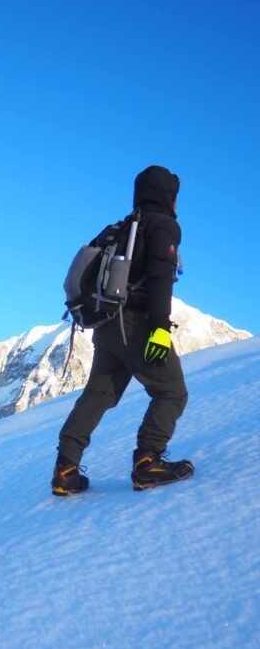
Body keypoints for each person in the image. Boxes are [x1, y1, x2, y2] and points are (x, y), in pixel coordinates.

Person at [52, 165, 194, 495]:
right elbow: (161, 276)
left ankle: (65, 469)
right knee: (171, 391)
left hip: (106, 325)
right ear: (168, 197)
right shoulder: (163, 226)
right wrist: (160, 328)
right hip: (137, 324)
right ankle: (148, 462)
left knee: (99, 395)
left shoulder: (119, 228)